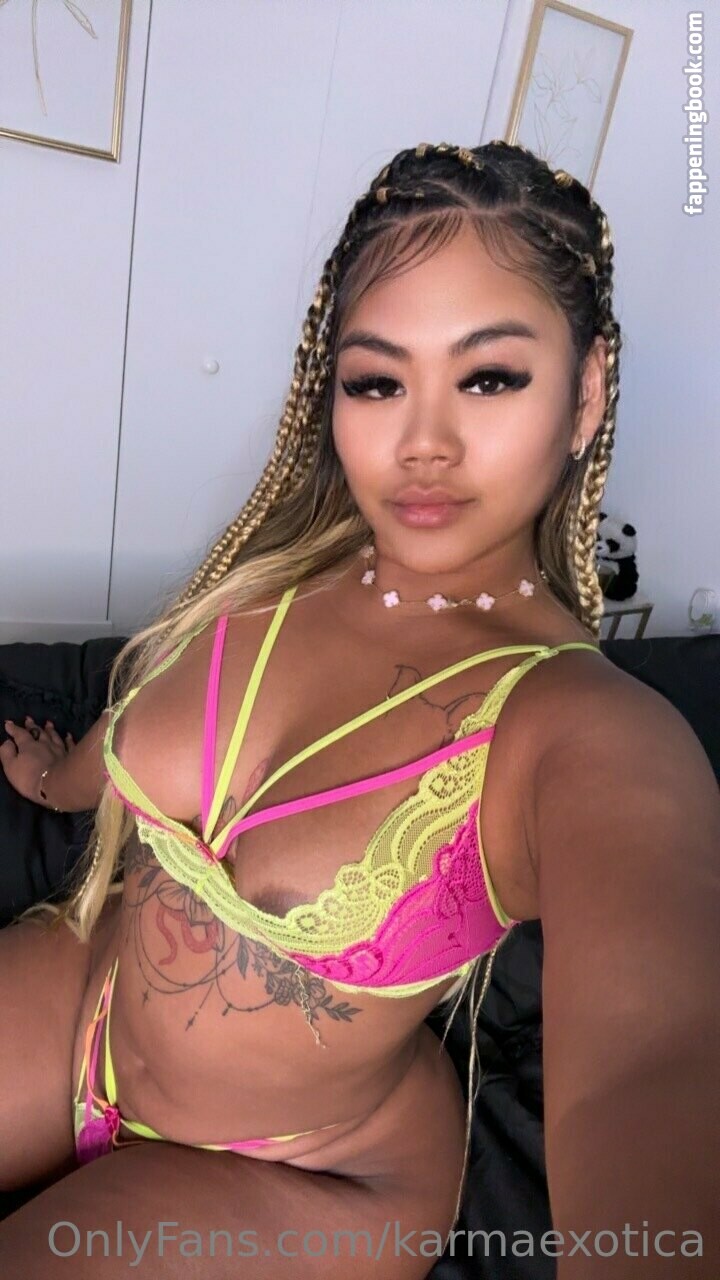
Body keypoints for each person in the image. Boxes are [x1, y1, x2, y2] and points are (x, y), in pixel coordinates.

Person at [0, 140, 717, 1279]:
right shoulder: (267, 578)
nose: (423, 442)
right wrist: (55, 782)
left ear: (585, 392)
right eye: (378, 381)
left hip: (309, 1172)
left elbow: (654, 1063)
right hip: (85, 1001)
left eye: (489, 377)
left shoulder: (585, 732)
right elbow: (138, 726)